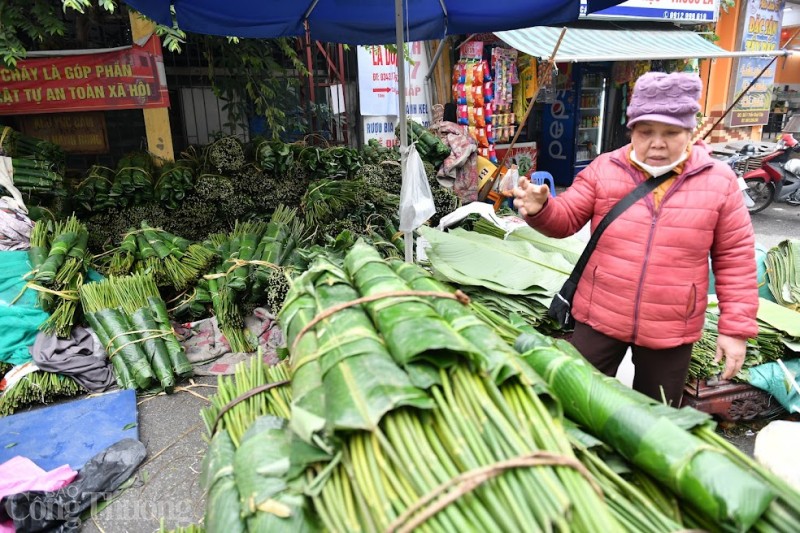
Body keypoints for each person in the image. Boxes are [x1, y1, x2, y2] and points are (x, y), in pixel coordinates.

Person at [513, 71, 758, 406]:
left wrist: (735, 330)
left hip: (671, 326)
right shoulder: (605, 169)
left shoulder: (719, 182)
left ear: (690, 131)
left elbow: (736, 260)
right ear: (631, 130)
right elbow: (566, 219)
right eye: (646, 132)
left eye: (671, 133)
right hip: (600, 315)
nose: (657, 143)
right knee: (576, 402)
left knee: (656, 416)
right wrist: (541, 210)